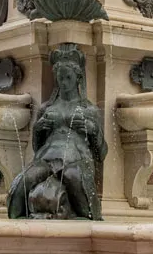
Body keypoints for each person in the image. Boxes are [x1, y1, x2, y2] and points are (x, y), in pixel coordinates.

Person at [8, 44, 107, 219]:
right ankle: (17, 222)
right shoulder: (46, 108)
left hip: (76, 160)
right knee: (23, 182)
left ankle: (90, 217)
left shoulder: (88, 109)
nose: (64, 82)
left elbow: (102, 152)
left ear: (78, 78)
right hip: (46, 160)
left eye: (68, 77)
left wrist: (92, 131)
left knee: (73, 177)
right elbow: (37, 147)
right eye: (60, 78)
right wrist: (38, 129)